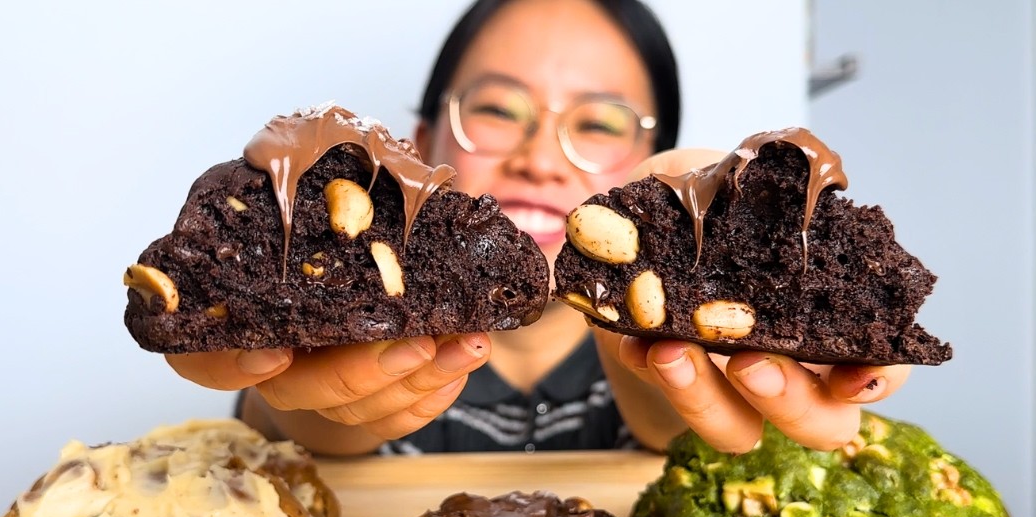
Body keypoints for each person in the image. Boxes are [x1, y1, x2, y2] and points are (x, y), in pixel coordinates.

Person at [166, 0, 911, 457]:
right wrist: (312, 384)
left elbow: (670, 431)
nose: (541, 158)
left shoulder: (691, 338)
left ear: (651, 172)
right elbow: (315, 431)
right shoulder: (339, 276)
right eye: (494, 110)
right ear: (420, 144)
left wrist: (664, 339)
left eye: (598, 123)